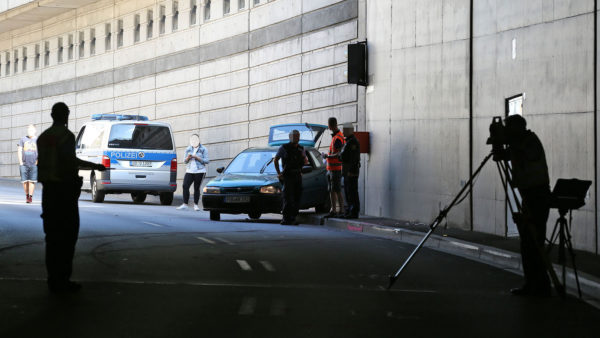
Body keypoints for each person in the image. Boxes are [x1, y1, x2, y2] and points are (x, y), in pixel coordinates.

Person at [37, 102, 106, 293]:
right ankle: (63, 280)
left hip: (48, 192)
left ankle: (53, 280)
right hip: (64, 193)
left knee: (51, 238)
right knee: (67, 238)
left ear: (52, 115)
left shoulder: (43, 137)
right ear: (66, 116)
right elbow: (70, 161)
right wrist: (95, 165)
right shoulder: (66, 136)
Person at [501, 114, 552, 297]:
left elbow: (526, 155)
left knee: (533, 240)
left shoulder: (530, 141)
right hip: (529, 194)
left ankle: (539, 284)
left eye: (509, 128)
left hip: (537, 195)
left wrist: (511, 145)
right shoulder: (521, 143)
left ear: (517, 128)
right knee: (529, 241)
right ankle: (534, 283)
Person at [274, 130, 308, 225]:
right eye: (293, 136)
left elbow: (305, 161)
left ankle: (293, 217)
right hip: (288, 176)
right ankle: (286, 218)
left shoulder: (301, 148)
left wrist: (304, 161)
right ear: (289, 137)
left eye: (297, 136)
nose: (295, 138)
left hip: (297, 175)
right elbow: (276, 160)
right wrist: (279, 173)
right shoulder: (284, 147)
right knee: (288, 198)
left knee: (297, 197)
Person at [177, 134, 209, 211]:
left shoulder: (203, 149)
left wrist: (197, 157)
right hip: (189, 170)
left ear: (199, 140)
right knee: (185, 186)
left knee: (196, 188)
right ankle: (185, 204)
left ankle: (196, 205)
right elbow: (184, 161)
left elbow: (207, 161)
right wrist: (188, 157)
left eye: (196, 139)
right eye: (192, 140)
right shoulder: (188, 149)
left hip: (200, 171)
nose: (194, 141)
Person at [322, 117, 345, 217]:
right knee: (333, 189)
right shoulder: (337, 136)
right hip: (332, 169)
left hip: (335, 169)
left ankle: (339, 210)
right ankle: (335, 210)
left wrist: (327, 156)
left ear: (330, 125)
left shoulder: (337, 138)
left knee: (336, 189)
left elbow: (339, 154)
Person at [339, 125, 360, 219]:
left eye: (344, 130)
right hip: (347, 171)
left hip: (351, 171)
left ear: (349, 130)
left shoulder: (352, 142)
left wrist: (351, 171)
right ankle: (349, 211)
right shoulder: (348, 142)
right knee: (348, 192)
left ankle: (353, 211)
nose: (343, 132)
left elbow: (351, 158)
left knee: (352, 192)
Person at [17, 124, 38, 203]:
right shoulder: (23, 139)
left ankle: (30, 197)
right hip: (24, 164)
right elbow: (19, 150)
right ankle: (26, 195)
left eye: (32, 130)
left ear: (35, 131)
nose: (30, 131)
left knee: (31, 181)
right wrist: (21, 162)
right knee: (25, 181)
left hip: (33, 164)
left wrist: (37, 162)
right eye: (29, 130)